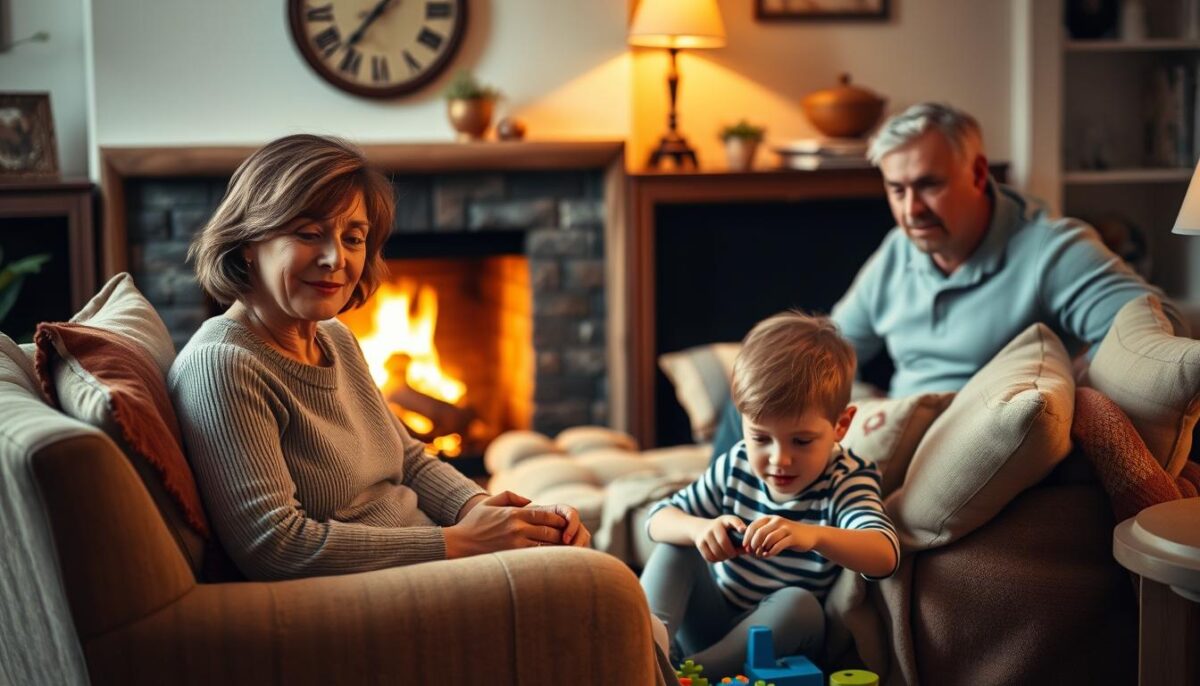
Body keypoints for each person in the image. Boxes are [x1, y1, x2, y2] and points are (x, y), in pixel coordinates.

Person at [168, 134, 590, 582]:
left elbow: (409, 460)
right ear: (248, 241)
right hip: (376, 595)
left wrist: (490, 512)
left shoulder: (336, 339)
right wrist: (461, 542)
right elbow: (275, 546)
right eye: (309, 234)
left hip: (431, 559)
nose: (336, 258)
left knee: (586, 566)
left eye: (354, 238)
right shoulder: (223, 366)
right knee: (596, 588)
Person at [711, 102, 1182, 456]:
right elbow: (832, 345)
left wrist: (1084, 380)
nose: (911, 210)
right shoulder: (901, 249)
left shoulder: (1049, 249)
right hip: (893, 428)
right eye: (897, 190)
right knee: (760, 394)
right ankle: (715, 532)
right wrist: (852, 396)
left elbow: (1156, 324)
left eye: (929, 185)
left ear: (978, 173)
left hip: (964, 443)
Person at [640, 312, 899, 678]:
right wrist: (700, 529)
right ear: (742, 423)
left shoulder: (846, 480)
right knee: (675, 544)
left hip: (779, 635)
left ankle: (680, 675)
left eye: (802, 440)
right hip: (712, 622)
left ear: (841, 425)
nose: (780, 459)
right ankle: (644, 651)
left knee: (800, 604)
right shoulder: (737, 464)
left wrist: (812, 536)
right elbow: (657, 518)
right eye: (761, 438)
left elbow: (884, 553)